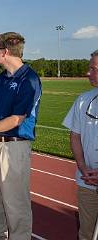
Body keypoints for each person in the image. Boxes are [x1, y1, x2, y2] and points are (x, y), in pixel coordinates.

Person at [0, 32, 42, 240]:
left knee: (15, 201)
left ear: (4, 52)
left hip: (14, 146)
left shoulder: (29, 78)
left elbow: (16, 119)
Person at [62, 49, 98, 240]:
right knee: (86, 233)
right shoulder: (83, 100)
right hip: (88, 182)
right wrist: (83, 168)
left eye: (94, 69)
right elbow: (75, 136)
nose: (87, 73)